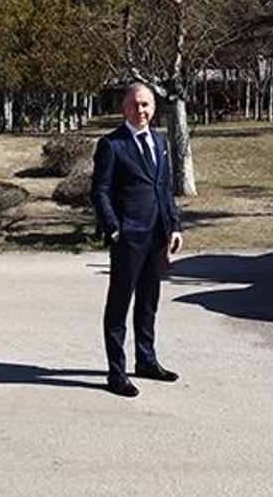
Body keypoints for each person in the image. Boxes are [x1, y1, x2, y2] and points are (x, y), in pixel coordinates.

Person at [90, 82, 184, 397]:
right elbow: (100, 191)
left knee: (148, 302)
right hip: (128, 238)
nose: (140, 110)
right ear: (124, 108)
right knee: (119, 305)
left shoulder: (160, 142)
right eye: (135, 105)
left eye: (146, 105)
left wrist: (175, 227)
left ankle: (146, 360)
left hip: (157, 235)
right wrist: (114, 228)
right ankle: (116, 373)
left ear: (153, 108)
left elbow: (165, 188)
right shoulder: (112, 145)